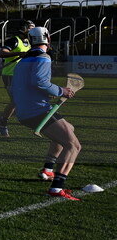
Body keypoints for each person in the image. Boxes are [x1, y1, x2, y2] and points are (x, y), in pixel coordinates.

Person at [12, 27, 82, 200]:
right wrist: (61, 91)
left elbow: (24, 87)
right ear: (48, 38)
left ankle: (48, 169)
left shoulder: (23, 61)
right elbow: (40, 82)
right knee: (73, 145)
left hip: (26, 111)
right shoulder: (44, 57)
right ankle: (57, 188)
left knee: (68, 129)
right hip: (37, 111)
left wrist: (50, 93)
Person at [0, 20, 35, 137]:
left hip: (23, 75)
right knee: (16, 101)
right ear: (23, 28)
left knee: (21, 101)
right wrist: (18, 54)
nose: (33, 31)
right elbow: (1, 53)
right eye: (30, 28)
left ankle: (2, 117)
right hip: (10, 74)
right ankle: (2, 123)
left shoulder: (28, 41)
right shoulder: (14, 40)